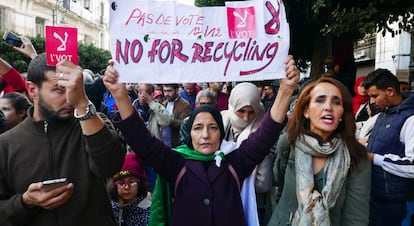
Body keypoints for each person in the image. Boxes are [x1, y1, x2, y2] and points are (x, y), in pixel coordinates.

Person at [103, 55, 299, 226]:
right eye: (198, 128)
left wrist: (285, 91)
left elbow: (266, 135)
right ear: (190, 134)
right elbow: (142, 140)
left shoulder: (236, 162)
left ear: (221, 134)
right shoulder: (176, 164)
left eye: (213, 128)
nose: (205, 135)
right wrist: (120, 95)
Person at [0, 53, 126, 225]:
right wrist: (25, 202)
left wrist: (83, 106)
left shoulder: (93, 122)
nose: (69, 97)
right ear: (32, 90)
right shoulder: (6, 144)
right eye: (59, 89)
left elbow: (109, 166)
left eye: (74, 88)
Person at [268, 76, 371, 226]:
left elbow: (356, 218)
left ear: (342, 113)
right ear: (306, 111)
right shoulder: (288, 143)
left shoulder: (356, 155)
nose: (328, 107)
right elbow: (279, 187)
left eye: (336, 102)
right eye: (320, 100)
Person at [362, 69, 414, 226]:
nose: (371, 101)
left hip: (398, 204)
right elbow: (382, 144)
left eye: (374, 96)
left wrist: (374, 158)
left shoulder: (410, 119)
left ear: (390, 91)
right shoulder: (384, 114)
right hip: (377, 198)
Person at [220, 82, 274, 225]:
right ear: (232, 105)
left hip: (252, 202)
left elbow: (264, 183)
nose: (245, 118)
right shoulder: (220, 122)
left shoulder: (263, 133)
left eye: (251, 112)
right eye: (241, 111)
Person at [111, 152, 152, 226]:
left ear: (140, 183)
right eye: (121, 183)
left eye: (132, 182)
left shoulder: (149, 212)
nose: (127, 187)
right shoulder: (110, 209)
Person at [162, 83, 192, 147]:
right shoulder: (164, 103)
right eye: (165, 91)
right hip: (164, 142)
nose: (166, 94)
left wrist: (169, 121)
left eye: (169, 91)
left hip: (177, 144)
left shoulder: (185, 105)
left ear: (177, 91)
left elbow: (184, 125)